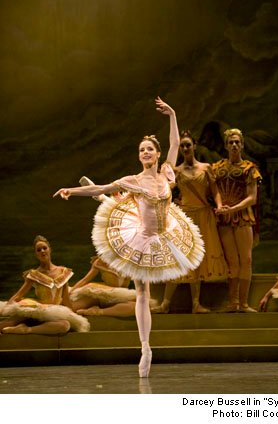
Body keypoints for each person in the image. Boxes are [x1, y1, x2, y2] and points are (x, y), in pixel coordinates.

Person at [53, 97, 204, 377]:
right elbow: (104, 184)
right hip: (141, 236)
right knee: (143, 291)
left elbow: (173, 144)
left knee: (113, 202)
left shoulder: (166, 173)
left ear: (157, 155)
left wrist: (172, 114)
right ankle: (145, 347)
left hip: (165, 231)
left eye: (149, 149)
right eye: (141, 150)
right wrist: (73, 191)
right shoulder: (133, 180)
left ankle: (104, 201)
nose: (145, 152)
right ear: (139, 156)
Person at [152, 129, 228, 314]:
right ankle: (165, 304)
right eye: (183, 145)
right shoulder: (176, 171)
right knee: (179, 259)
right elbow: (166, 189)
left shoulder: (206, 168)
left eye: (188, 145)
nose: (185, 148)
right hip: (185, 217)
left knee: (197, 260)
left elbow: (215, 190)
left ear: (195, 146)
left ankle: (196, 303)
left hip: (204, 216)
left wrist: (219, 205)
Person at [212, 128, 262, 313]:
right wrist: (220, 206)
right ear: (226, 145)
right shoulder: (217, 168)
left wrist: (234, 208)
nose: (234, 145)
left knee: (246, 259)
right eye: (230, 142)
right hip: (225, 217)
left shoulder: (249, 168)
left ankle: (245, 303)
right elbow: (214, 190)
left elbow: (252, 197)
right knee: (231, 260)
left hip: (242, 215)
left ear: (242, 145)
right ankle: (233, 302)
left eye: (237, 142)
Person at [0, 236, 89, 334]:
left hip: (56, 311)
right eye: (38, 250)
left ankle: (25, 330)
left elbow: (65, 298)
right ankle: (21, 326)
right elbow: (18, 295)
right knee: (10, 321)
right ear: (36, 254)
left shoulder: (63, 272)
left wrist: (73, 315)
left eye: (44, 248)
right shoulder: (34, 274)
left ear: (50, 249)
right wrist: (4, 309)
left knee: (64, 325)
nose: (42, 251)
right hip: (40, 310)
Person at [70, 255, 137, 317]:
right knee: (71, 308)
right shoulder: (101, 262)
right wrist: (71, 291)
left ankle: (97, 311)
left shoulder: (129, 263)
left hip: (119, 296)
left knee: (135, 306)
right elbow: (85, 280)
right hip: (102, 294)